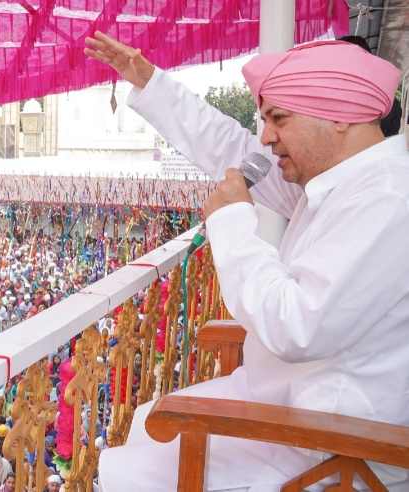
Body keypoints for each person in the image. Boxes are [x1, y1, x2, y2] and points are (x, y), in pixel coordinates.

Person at [84, 32, 408, 490]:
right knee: (147, 428)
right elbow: (230, 149)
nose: (266, 137)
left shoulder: (388, 199)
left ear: (338, 117)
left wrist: (233, 221)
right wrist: (151, 83)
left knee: (137, 468)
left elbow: (295, 327)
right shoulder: (348, 184)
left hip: (336, 447)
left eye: (278, 119)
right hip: (303, 410)